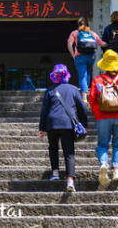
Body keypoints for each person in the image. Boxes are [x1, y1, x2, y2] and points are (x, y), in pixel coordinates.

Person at [88, 49, 118, 186]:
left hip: (103, 117)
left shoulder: (98, 80)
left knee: (102, 144)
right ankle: (116, 170)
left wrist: (98, 112)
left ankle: (103, 163)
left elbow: (92, 99)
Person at [39, 64, 88, 192]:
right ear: (67, 75)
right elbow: (82, 108)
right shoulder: (73, 89)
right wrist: (84, 124)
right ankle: (70, 181)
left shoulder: (49, 91)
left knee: (53, 148)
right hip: (67, 124)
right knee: (69, 151)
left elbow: (44, 111)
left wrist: (42, 128)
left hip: (52, 123)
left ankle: (55, 173)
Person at [67, 17, 105, 102]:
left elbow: (69, 44)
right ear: (88, 24)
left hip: (79, 56)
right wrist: (111, 44)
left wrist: (73, 55)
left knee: (82, 76)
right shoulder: (92, 33)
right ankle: (86, 91)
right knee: (87, 74)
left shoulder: (75, 33)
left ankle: (84, 97)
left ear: (78, 24)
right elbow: (101, 43)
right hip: (91, 56)